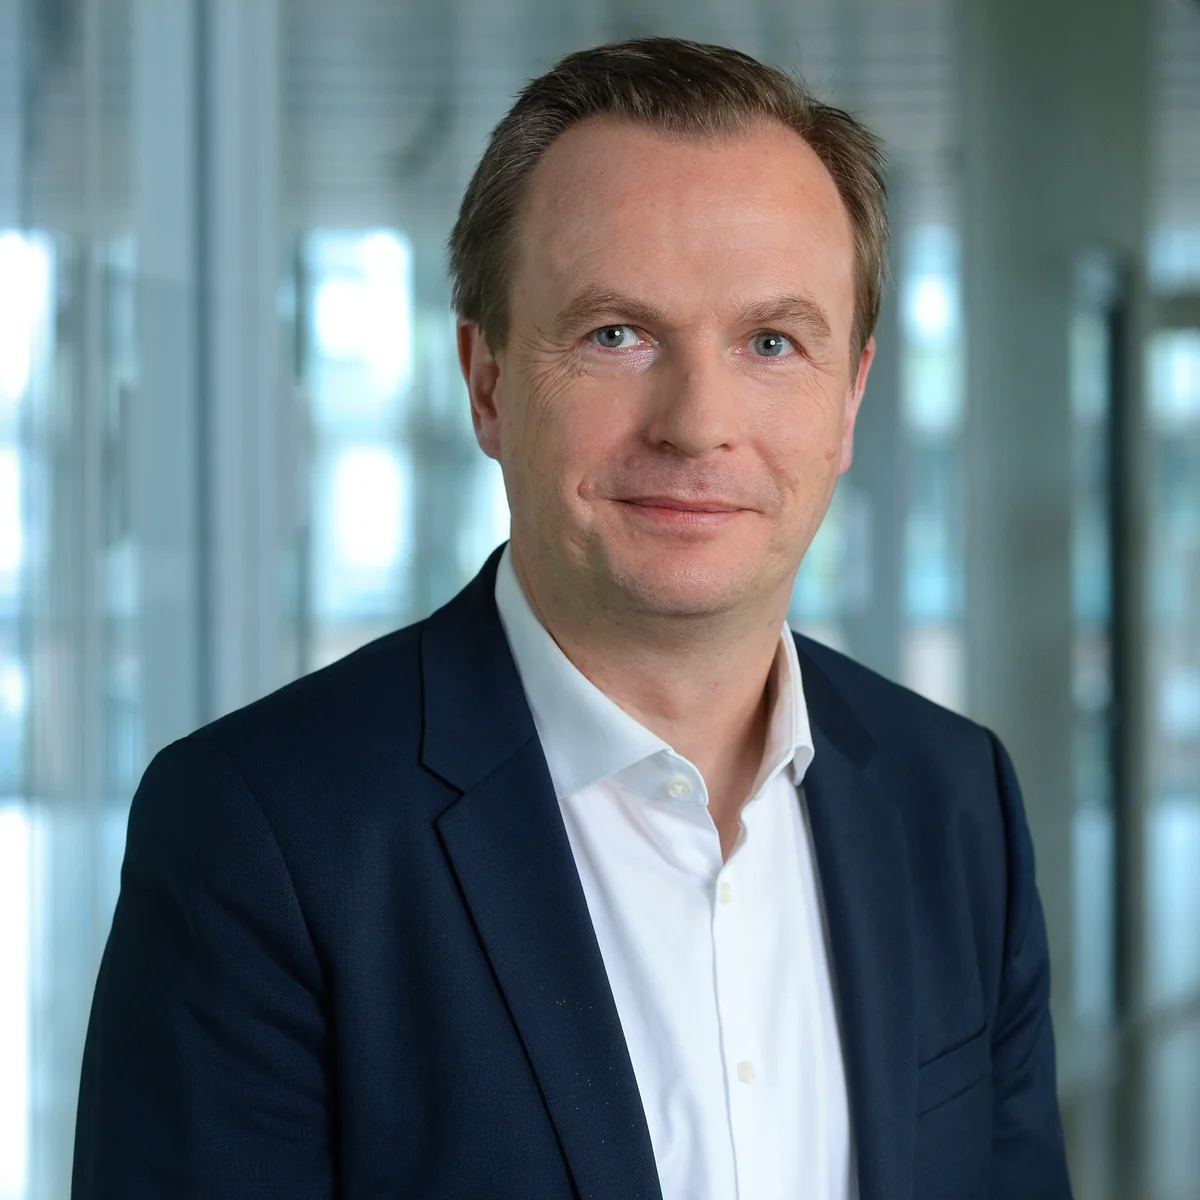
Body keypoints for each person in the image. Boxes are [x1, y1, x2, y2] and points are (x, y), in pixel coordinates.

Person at [72, 37, 1073, 1200]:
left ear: (848, 399)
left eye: (771, 342)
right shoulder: (262, 835)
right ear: (488, 382)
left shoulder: (955, 801)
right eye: (616, 335)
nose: (696, 424)